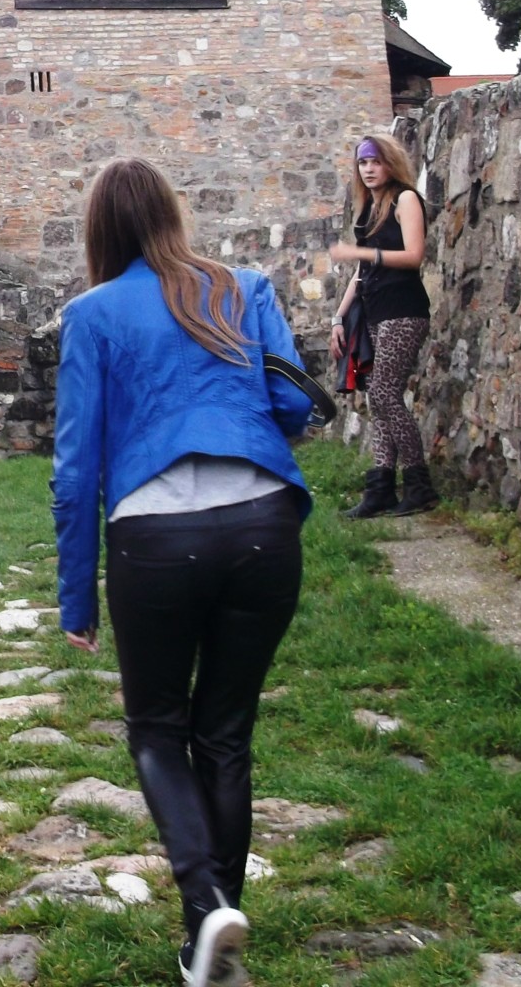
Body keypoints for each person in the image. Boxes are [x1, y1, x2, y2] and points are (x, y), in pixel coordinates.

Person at [53, 158, 314, 987]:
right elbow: (294, 402)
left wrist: (76, 595)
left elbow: (74, 469)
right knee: (224, 735)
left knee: (157, 730)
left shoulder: (91, 314)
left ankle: (205, 907)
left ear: (98, 230)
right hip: (264, 525)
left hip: (156, 537)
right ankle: (212, 942)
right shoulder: (245, 289)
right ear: (172, 214)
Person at [327, 134, 434, 518]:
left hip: (404, 310)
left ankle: (419, 485)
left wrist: (361, 251)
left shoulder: (406, 199)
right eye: (363, 163)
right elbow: (362, 273)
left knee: (385, 393)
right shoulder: (370, 209)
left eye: (376, 161)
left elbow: (414, 255)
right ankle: (380, 488)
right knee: (379, 396)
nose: (369, 169)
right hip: (375, 312)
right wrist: (339, 317)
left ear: (391, 163)